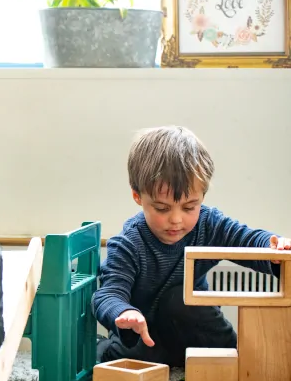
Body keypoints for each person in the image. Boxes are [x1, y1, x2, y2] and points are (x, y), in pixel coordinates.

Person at [93, 126, 290, 367]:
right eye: (162, 208)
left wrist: (276, 249)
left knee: (181, 300)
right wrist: (124, 313)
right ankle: (101, 345)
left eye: (189, 207)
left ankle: (235, 355)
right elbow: (108, 293)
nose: (176, 220)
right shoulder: (128, 244)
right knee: (117, 357)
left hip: (190, 332)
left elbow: (248, 240)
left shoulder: (209, 224)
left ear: (202, 197)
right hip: (147, 338)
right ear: (138, 197)